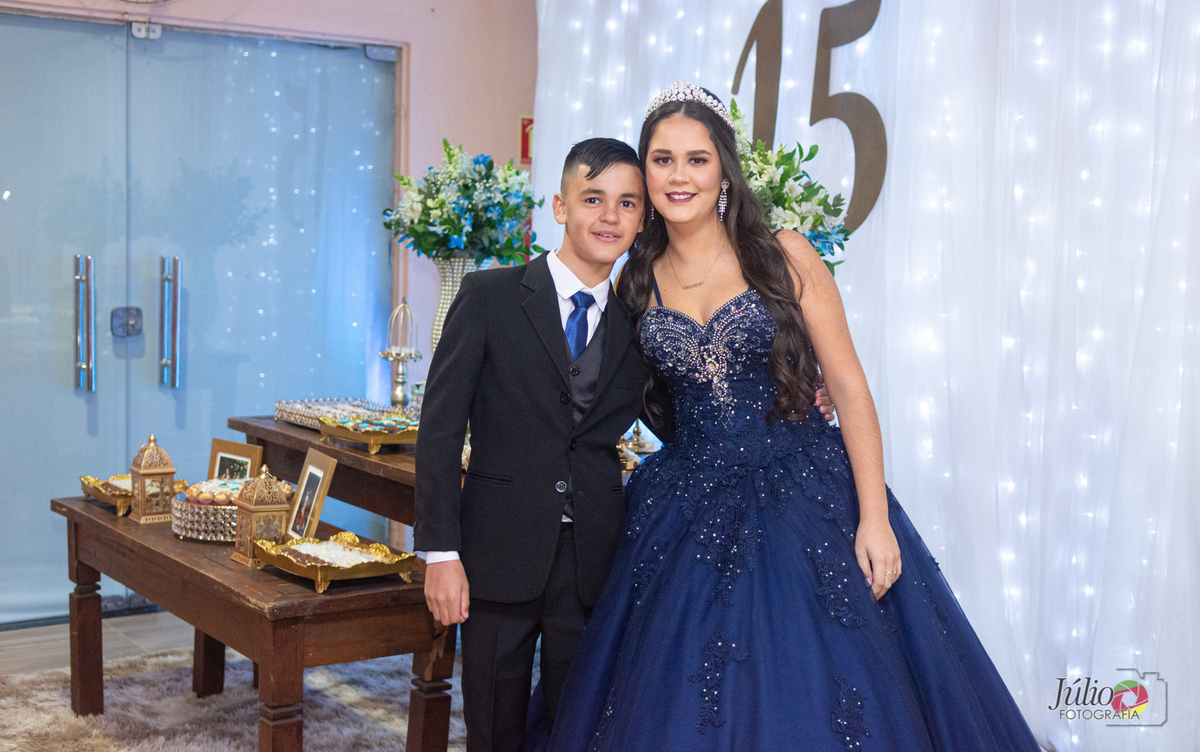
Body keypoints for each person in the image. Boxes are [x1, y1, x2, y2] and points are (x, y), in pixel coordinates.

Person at [543, 83, 1042, 750]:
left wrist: (874, 518)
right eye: (662, 160)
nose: (678, 176)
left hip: (803, 489)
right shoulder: (636, 279)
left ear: (724, 169)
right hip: (686, 502)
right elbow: (628, 395)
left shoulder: (782, 254)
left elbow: (850, 388)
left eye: (696, 159)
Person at [414, 137, 652, 752]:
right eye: (593, 199)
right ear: (560, 206)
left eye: (627, 203)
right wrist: (440, 553)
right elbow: (439, 431)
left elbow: (681, 417)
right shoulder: (489, 296)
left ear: (641, 221)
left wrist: (796, 394)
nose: (610, 216)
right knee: (494, 726)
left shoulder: (641, 323)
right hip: (497, 551)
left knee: (578, 726)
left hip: (593, 558)